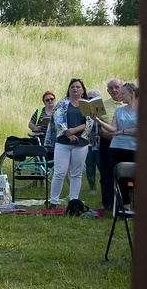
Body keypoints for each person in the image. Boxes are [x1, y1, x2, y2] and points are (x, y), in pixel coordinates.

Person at [47, 78, 95, 209]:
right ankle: (53, 201)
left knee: (76, 173)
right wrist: (68, 133)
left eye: (78, 87)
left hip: (81, 143)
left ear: (83, 90)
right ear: (68, 89)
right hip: (63, 142)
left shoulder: (86, 104)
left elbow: (89, 123)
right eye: (72, 86)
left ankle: (73, 201)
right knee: (59, 172)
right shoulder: (62, 103)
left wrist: (74, 130)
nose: (75, 89)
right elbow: (57, 119)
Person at [94, 82, 138, 209]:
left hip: (134, 148)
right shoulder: (119, 111)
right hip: (117, 148)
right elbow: (113, 128)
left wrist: (122, 132)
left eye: (123, 93)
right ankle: (125, 207)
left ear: (132, 94)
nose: (120, 96)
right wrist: (98, 120)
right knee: (121, 178)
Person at [97, 78, 125, 210]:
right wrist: (104, 134)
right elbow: (96, 126)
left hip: (125, 143)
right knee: (106, 173)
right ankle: (108, 203)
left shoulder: (130, 105)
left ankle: (124, 204)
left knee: (125, 173)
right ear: (108, 91)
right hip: (107, 142)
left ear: (122, 88)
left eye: (117, 87)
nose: (114, 90)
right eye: (111, 88)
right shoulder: (102, 105)